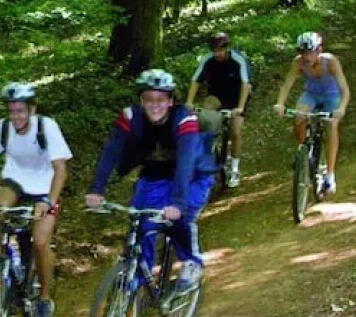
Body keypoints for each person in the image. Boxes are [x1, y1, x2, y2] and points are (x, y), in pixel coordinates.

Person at [84, 68, 217, 291]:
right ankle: (138, 275)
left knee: (180, 217)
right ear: (141, 100)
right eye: (148, 99)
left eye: (161, 99)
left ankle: (192, 262)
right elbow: (111, 152)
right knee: (141, 223)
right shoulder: (131, 116)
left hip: (193, 174)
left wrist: (177, 203)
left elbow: (185, 163)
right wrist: (97, 189)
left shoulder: (185, 118)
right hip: (156, 172)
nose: (154, 105)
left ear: (171, 100)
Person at [0, 82, 73, 317]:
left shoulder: (47, 127)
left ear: (32, 110)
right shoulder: (0, 129)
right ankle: (10, 259)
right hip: (16, 182)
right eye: (11, 111)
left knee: (41, 243)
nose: (16, 116)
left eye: (21, 111)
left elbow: (60, 170)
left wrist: (48, 201)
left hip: (45, 186)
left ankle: (44, 299)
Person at [273, 32, 350, 194]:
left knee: (331, 126)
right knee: (298, 116)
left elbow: (344, 88)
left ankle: (330, 173)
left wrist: (341, 108)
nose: (306, 57)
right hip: (311, 94)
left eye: (310, 52)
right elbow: (287, 85)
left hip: (331, 95)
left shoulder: (330, 62)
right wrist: (280, 103)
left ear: (319, 50)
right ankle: (303, 152)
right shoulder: (299, 63)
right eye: (302, 53)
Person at [186, 32, 253, 187]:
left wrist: (240, 107)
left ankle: (235, 168)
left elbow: (245, 84)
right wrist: (189, 102)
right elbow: (195, 80)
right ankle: (209, 148)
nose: (218, 54)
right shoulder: (207, 60)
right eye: (215, 50)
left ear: (227, 48)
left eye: (220, 50)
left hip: (237, 97)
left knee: (235, 131)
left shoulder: (238, 60)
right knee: (205, 113)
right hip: (217, 95)